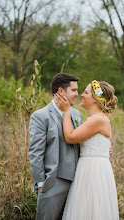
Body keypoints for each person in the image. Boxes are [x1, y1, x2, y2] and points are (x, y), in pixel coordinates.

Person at [54, 80, 119, 220]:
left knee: (91, 208)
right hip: (90, 168)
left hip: (93, 172)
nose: (82, 95)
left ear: (95, 100)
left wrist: (66, 111)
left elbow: (70, 137)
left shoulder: (98, 120)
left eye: (86, 92)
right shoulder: (94, 119)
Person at [28, 73, 82, 220]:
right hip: (52, 183)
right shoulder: (41, 116)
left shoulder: (76, 114)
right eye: (74, 90)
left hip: (76, 185)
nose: (77, 94)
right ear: (60, 91)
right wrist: (41, 183)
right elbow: (35, 152)